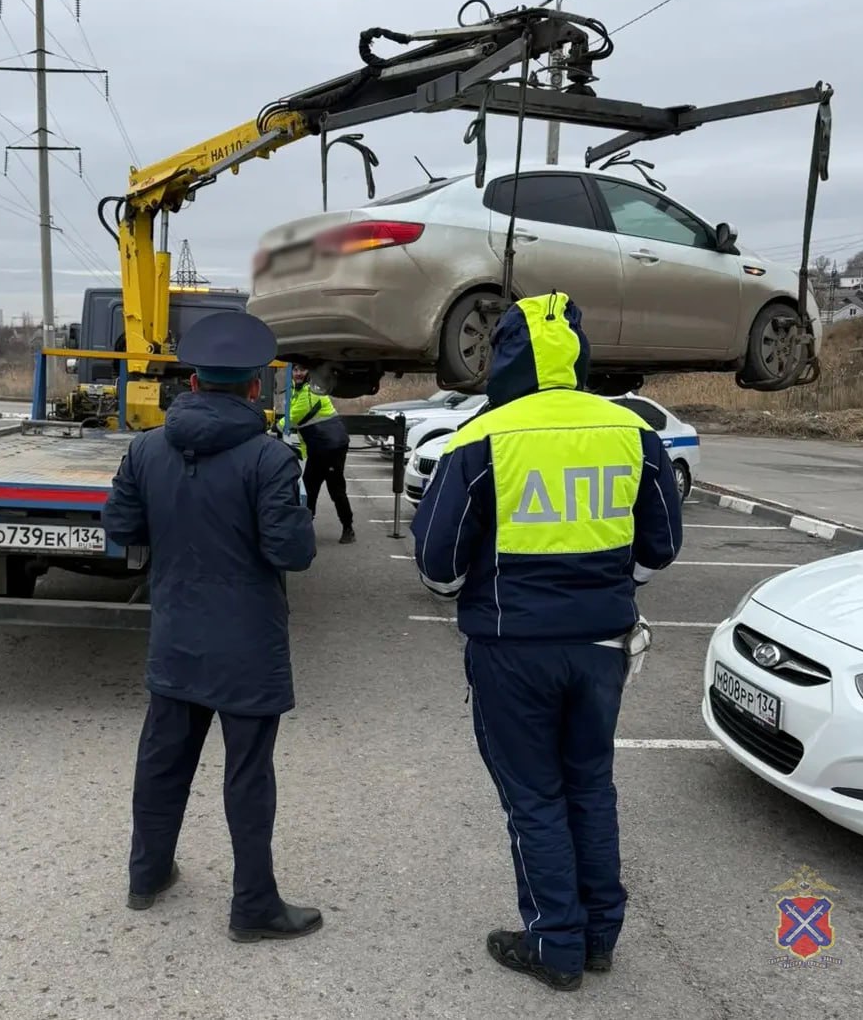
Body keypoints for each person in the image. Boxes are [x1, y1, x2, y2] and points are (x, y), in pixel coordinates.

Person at [411, 291, 683, 991]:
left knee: (533, 797)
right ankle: (597, 936)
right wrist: (608, 592)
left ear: (503, 356)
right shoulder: (630, 430)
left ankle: (553, 943)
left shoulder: (480, 436)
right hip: (601, 645)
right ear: (578, 356)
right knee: (590, 786)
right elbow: (660, 547)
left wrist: (472, 590)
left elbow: (438, 568)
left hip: (511, 646)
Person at [103, 309, 323, 944]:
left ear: (192, 382)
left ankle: (146, 875)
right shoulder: (270, 458)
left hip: (176, 633)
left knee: (163, 760)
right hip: (247, 645)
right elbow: (293, 553)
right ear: (256, 387)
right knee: (248, 774)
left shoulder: (145, 448)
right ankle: (253, 905)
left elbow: (120, 528)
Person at [282, 365, 356, 544]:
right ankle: (307, 529)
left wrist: (271, 427)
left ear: (310, 372)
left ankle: (347, 528)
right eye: (295, 370)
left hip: (331, 447)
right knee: (310, 488)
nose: (298, 373)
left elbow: (293, 417)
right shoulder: (298, 391)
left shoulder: (312, 392)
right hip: (320, 447)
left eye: (302, 369)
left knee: (333, 488)